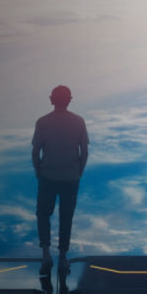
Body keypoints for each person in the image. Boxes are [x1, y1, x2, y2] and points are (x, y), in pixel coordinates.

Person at [32, 85, 89, 275]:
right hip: (71, 177)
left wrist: (38, 171)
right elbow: (84, 151)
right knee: (66, 217)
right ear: (70, 100)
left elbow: (36, 150)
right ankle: (63, 257)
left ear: (51, 100)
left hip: (48, 176)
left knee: (43, 214)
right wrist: (79, 171)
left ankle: (46, 253)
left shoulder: (42, 122)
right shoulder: (78, 121)